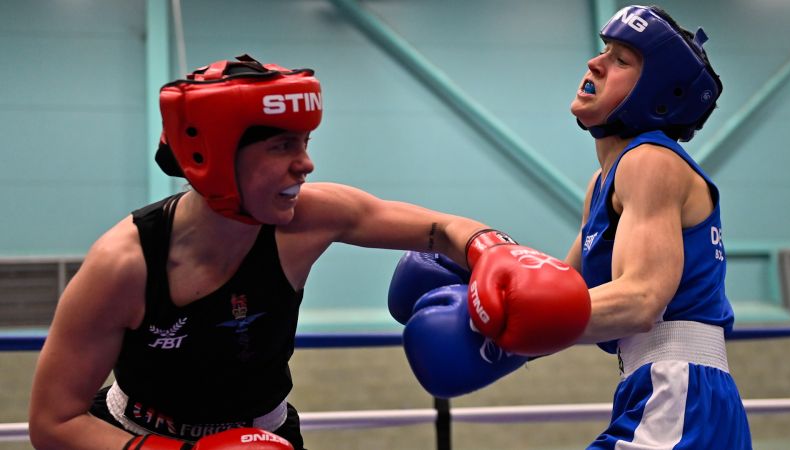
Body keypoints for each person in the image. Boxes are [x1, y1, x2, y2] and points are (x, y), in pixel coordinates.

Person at [27, 54, 590, 450]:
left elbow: (440, 228)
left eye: (305, 143)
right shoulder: (124, 264)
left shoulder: (309, 217)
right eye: (282, 146)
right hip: (138, 437)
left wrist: (491, 249)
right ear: (216, 157)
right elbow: (53, 423)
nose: (306, 164)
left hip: (268, 434)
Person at [565, 5, 751, 449]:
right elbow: (557, 288)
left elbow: (641, 300)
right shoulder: (602, 183)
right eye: (605, 50)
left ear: (656, 95)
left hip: (680, 391)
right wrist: (478, 268)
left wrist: (508, 318)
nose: (595, 63)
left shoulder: (649, 160)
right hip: (660, 391)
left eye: (621, 60)